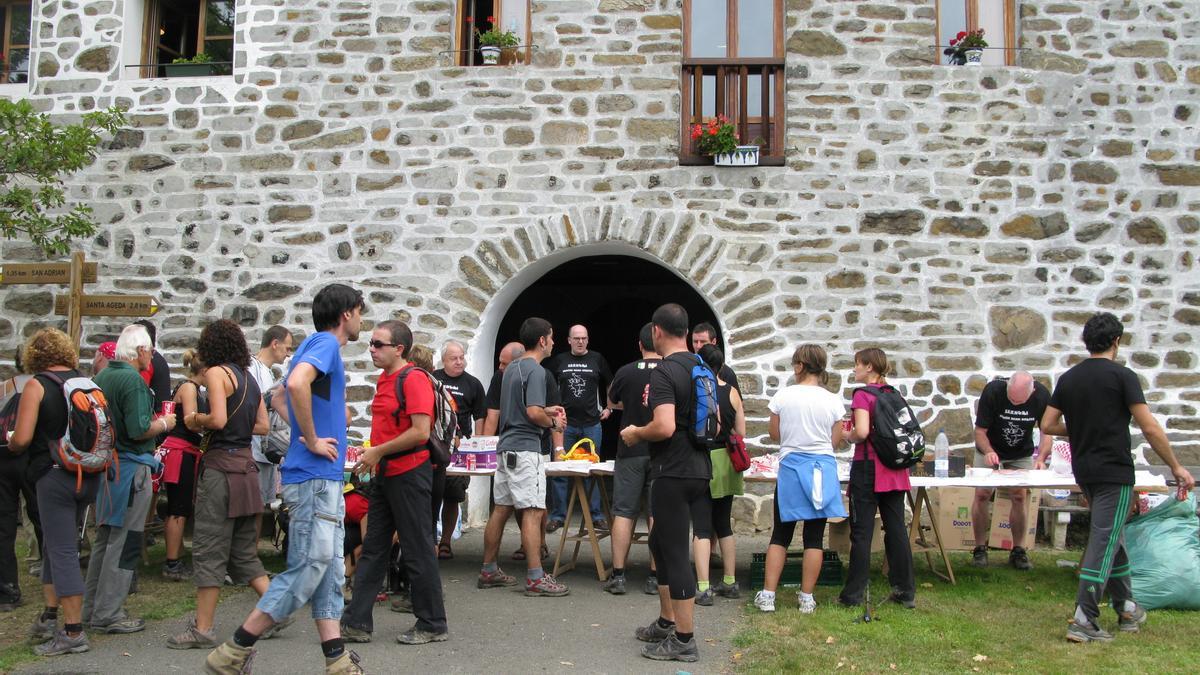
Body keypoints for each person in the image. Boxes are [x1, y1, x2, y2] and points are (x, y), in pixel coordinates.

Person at [205, 282, 365, 675]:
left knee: (327, 569)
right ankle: (232, 651)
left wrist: (310, 430)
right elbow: (293, 386)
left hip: (319, 476)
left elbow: (277, 396)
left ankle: (337, 659)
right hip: (313, 477)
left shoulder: (313, 345)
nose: (362, 318)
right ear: (346, 314)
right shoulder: (326, 345)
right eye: (361, 311)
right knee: (309, 567)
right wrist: (310, 438)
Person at [1040, 312, 1195, 643]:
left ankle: (1126, 607)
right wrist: (1177, 467)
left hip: (1086, 472)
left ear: (1087, 341)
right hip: (1114, 472)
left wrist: (1082, 428)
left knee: (1112, 535)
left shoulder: (1069, 378)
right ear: (1116, 341)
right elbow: (1149, 426)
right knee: (1104, 539)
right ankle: (1084, 619)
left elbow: (1048, 425)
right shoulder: (1123, 376)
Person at [168, 319, 283, 649]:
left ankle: (202, 628)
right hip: (246, 469)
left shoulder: (217, 373)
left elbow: (216, 419)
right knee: (243, 552)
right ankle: (278, 610)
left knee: (209, 549)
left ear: (211, 346)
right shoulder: (249, 377)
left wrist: (195, 420)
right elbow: (262, 426)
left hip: (221, 470)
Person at [341, 320, 448, 646]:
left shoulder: (413, 379)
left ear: (398, 348)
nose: (371, 349)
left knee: (417, 548)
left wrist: (377, 452)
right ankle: (356, 622)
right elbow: (390, 429)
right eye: (371, 343)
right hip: (386, 474)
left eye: (378, 344)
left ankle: (432, 623)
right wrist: (370, 453)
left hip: (410, 474)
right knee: (373, 547)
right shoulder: (385, 379)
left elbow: (419, 431)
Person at [620, 303, 710, 663]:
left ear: (656, 332)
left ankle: (684, 640)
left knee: (673, 553)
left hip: (672, 470)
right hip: (700, 467)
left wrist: (635, 433)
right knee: (659, 543)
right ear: (686, 331)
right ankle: (666, 621)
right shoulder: (700, 366)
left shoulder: (664, 371)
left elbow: (665, 426)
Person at [8, 329, 94, 656]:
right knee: (56, 543)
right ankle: (49, 615)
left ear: (35, 356)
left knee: (61, 550)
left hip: (54, 475)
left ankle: (72, 632)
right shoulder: (83, 381)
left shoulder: (37, 385)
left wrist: (13, 441)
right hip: (87, 472)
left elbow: (24, 438)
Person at [86, 323, 176, 633]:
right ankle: (108, 612)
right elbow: (140, 429)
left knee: (105, 538)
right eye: (150, 349)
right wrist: (164, 422)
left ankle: (92, 607)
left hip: (107, 467)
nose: (152, 355)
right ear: (139, 350)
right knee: (125, 541)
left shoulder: (101, 377)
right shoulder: (133, 381)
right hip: (130, 468)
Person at [477, 317, 570, 597]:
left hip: (505, 447)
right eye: (552, 337)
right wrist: (553, 423)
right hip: (526, 448)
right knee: (532, 510)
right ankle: (535, 577)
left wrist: (546, 410)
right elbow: (531, 412)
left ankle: (489, 569)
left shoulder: (511, 369)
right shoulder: (538, 372)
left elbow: (519, 406)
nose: (553, 342)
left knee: (501, 508)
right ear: (542, 340)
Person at [756, 344, 847, 614]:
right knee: (814, 536)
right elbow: (835, 439)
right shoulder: (832, 400)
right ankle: (807, 597)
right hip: (821, 468)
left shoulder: (783, 397)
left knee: (780, 534)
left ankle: (769, 594)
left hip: (792, 466)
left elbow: (775, 433)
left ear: (799, 366)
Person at [837, 348, 916, 610]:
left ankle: (854, 593)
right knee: (896, 529)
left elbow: (861, 431)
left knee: (862, 532)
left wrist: (847, 436)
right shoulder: (893, 394)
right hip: (895, 469)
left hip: (869, 468)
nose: (855, 369)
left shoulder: (862, 395)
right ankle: (905, 590)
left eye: (857, 365)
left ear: (869, 367)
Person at [970, 371, 1052, 570]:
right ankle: (980, 548)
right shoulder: (993, 391)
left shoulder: (1041, 396)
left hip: (1020, 452)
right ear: (1007, 387)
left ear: (1031, 392)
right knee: (982, 494)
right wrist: (988, 451)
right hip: (989, 446)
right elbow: (980, 432)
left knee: (1019, 496)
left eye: (1020, 401)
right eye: (1012, 399)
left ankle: (1018, 550)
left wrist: (1041, 458)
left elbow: (1046, 432)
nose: (1015, 404)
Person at [601, 323, 660, 596]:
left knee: (624, 512)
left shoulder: (626, 371)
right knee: (656, 514)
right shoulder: (673, 370)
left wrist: (632, 403)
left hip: (630, 449)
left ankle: (619, 575)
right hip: (662, 450)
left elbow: (612, 401)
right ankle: (655, 576)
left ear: (640, 345)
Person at [545, 324, 612, 532]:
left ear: (588, 339)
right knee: (560, 470)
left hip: (592, 424)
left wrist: (610, 407)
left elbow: (612, 383)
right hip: (565, 425)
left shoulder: (597, 359)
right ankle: (557, 516)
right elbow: (548, 385)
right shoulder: (559, 360)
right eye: (576, 338)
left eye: (583, 338)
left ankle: (596, 515)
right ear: (569, 340)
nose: (580, 342)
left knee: (592, 470)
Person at [693, 343, 745, 607]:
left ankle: (703, 586)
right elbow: (741, 432)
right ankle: (729, 580)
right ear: (722, 365)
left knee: (701, 526)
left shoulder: (697, 389)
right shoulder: (732, 391)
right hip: (725, 461)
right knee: (723, 523)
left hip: (702, 459)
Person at [432, 339, 486, 560]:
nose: (459, 362)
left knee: (454, 496)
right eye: (453, 358)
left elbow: (480, 415)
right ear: (443, 360)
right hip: (436, 444)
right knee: (432, 494)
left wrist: (479, 441)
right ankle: (430, 541)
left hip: (460, 448)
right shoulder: (433, 379)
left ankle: (445, 542)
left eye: (461, 357)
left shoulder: (473, 384)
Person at [0, 347, 43, 612]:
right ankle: (54, 578)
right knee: (43, 518)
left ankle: (6, 589)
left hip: (3, 456)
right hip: (31, 457)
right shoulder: (41, 387)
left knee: (4, 524)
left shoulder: (4, 387)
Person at [160, 349, 208, 581]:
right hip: (180, 451)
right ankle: (172, 563)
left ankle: (175, 552)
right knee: (178, 508)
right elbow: (191, 421)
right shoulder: (188, 388)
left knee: (181, 506)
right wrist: (212, 423)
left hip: (187, 451)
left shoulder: (193, 388)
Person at [249, 326, 294, 530]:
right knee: (251, 506)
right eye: (286, 347)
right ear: (274, 344)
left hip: (266, 450)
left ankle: (250, 554)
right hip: (253, 449)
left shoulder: (267, 371)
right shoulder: (251, 368)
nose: (288, 353)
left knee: (260, 506)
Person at [482, 342, 525, 436]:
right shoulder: (499, 376)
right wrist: (485, 445)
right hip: (505, 437)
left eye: (504, 364)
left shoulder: (538, 375)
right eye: (500, 362)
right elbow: (493, 414)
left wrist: (558, 448)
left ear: (518, 363)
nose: (500, 367)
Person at [134, 319, 172, 413]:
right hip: (160, 414)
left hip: (153, 418)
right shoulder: (157, 358)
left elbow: (139, 395)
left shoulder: (146, 362)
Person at [690, 322, 740, 393]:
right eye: (695, 341)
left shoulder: (727, 373)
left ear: (713, 342)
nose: (698, 346)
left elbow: (737, 402)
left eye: (703, 342)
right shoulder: (687, 366)